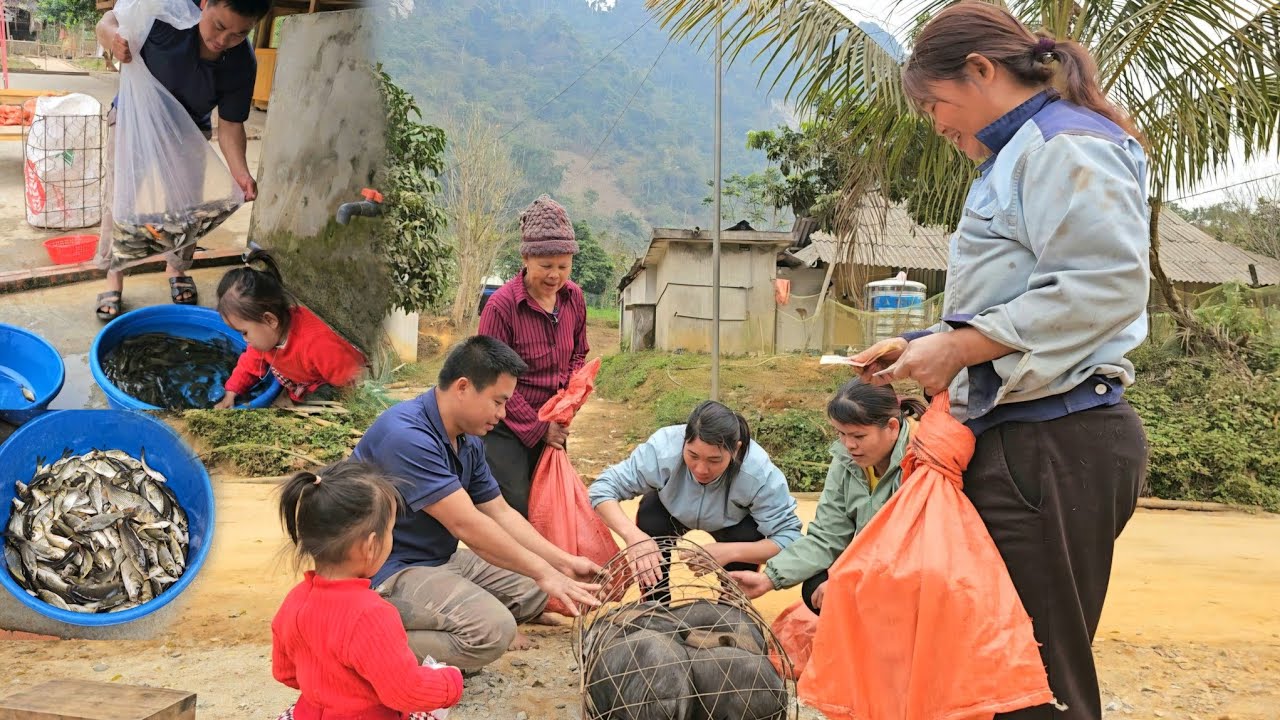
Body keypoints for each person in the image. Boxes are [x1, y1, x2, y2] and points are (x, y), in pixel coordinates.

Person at [851, 4, 1150, 718]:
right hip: (1027, 438)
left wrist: (960, 347)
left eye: (934, 105)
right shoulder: (1017, 155)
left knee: (1032, 684)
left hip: (1054, 441)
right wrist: (933, 341)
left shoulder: (1062, 145)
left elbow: (1103, 284)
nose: (935, 124)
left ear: (981, 71)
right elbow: (1023, 294)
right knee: (992, 667)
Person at [351, 335, 602, 673]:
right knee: (492, 631)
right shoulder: (406, 435)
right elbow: (466, 524)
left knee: (534, 589)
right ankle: (355, 643)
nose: (503, 414)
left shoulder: (468, 439)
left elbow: (498, 512)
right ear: (463, 387)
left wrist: (562, 563)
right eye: (498, 402)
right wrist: (546, 572)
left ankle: (457, 611)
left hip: (440, 558)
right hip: (390, 568)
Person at [94, 0, 270, 321]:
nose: (223, 40)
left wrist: (241, 172)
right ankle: (113, 279)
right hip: (135, 118)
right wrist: (113, 38)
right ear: (204, 5)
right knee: (121, 198)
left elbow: (231, 123)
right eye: (219, 26)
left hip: (189, 129)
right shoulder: (165, 19)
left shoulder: (242, 62)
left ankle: (176, 270)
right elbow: (108, 20)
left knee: (189, 206)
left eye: (239, 33)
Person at [271, 461, 464, 720]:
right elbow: (405, 692)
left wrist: (327, 687)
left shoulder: (295, 600)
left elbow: (285, 672)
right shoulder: (371, 613)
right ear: (371, 545)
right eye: (390, 531)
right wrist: (450, 681)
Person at [731, 380, 925, 614]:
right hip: (871, 568)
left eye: (858, 436)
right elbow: (827, 535)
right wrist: (769, 578)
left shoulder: (922, 459)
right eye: (841, 433)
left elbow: (912, 548)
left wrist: (850, 581)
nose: (848, 445)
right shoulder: (846, 459)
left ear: (892, 427)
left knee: (843, 591)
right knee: (815, 586)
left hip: (914, 573)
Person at [588, 400, 803, 603]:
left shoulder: (757, 471)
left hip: (733, 526)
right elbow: (602, 489)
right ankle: (655, 604)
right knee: (650, 513)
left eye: (714, 460)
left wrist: (731, 551)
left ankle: (730, 603)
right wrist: (633, 537)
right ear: (684, 441)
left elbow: (789, 537)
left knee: (747, 534)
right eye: (692, 455)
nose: (701, 469)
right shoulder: (663, 448)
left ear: (735, 450)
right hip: (669, 512)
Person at [477, 194, 589, 518]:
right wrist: (539, 429)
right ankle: (508, 570)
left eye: (563, 266)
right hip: (506, 423)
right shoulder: (501, 307)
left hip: (554, 420)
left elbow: (579, 353)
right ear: (526, 257)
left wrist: (569, 399)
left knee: (550, 508)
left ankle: (546, 570)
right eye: (546, 266)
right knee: (516, 507)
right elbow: (492, 377)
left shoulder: (574, 299)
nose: (555, 275)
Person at [215, 249, 368, 408]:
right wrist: (231, 391)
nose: (244, 339)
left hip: (331, 382)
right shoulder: (266, 336)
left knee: (323, 399)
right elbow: (250, 363)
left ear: (270, 319)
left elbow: (353, 381)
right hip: (302, 380)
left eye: (244, 332)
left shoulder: (316, 344)